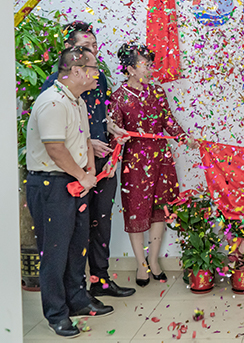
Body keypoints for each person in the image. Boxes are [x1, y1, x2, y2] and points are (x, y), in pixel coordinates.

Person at [41, 21, 135, 299]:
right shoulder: (54, 86)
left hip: (103, 163)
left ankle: (100, 280)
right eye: (86, 46)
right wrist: (87, 144)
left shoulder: (99, 78)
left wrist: (112, 130)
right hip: (75, 167)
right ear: (70, 49)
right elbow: (56, 136)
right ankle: (76, 290)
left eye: (94, 45)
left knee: (101, 224)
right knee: (77, 228)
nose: (93, 51)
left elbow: (100, 115)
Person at [26, 47, 114, 338]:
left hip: (76, 182)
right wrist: (82, 176)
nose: (97, 74)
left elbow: (85, 140)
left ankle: (77, 300)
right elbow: (55, 148)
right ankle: (56, 313)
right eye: (93, 68)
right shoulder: (53, 102)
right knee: (55, 252)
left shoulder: (77, 101)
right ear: (76, 71)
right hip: (51, 185)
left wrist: (90, 172)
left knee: (78, 245)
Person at [110, 43, 199, 286]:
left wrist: (184, 138)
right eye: (145, 65)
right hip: (135, 162)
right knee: (136, 210)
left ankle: (154, 260)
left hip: (161, 158)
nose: (150, 70)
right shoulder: (118, 97)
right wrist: (117, 139)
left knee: (160, 209)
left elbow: (169, 121)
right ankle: (141, 264)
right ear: (130, 69)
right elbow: (115, 132)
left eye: (151, 65)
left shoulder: (158, 92)